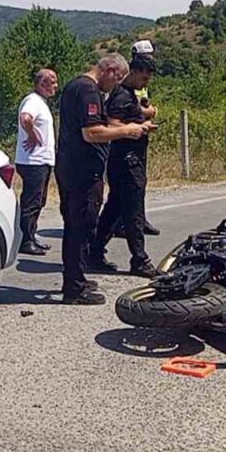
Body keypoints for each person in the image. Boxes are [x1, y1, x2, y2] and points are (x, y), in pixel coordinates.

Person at [56, 54, 154, 305]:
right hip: (82, 172)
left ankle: (76, 277)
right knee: (80, 227)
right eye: (117, 79)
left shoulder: (74, 86)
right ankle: (74, 289)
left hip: (72, 167)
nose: (115, 85)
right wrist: (127, 130)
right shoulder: (88, 91)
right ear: (110, 70)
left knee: (78, 226)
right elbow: (91, 133)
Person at [89, 53, 160, 277]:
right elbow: (113, 124)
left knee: (115, 209)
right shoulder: (121, 96)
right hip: (127, 161)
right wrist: (137, 129)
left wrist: (143, 122)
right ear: (135, 73)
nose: (146, 83)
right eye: (144, 78)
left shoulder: (129, 95)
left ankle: (95, 251)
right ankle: (139, 259)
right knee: (134, 211)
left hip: (128, 160)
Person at [15, 69, 59, 255]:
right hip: (33, 161)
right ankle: (25, 240)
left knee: (38, 200)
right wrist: (32, 135)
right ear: (43, 84)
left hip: (41, 161)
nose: (56, 86)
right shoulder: (33, 101)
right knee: (31, 202)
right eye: (53, 82)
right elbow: (25, 118)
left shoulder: (40, 102)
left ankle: (31, 235)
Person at [129, 39, 161, 237]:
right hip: (129, 133)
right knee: (133, 183)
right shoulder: (131, 75)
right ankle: (132, 222)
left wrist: (148, 110)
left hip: (141, 130)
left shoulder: (143, 75)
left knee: (140, 182)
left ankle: (139, 219)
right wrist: (149, 111)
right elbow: (129, 107)